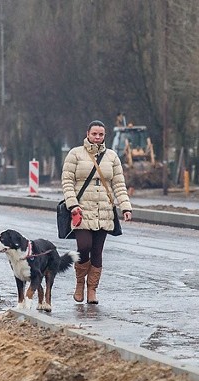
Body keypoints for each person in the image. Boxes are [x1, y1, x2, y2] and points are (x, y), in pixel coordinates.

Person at [61, 120, 133, 304]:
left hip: (105, 211)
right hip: (82, 211)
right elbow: (67, 181)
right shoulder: (75, 154)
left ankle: (92, 290)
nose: (97, 137)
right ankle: (79, 283)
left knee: (97, 251)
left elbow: (119, 184)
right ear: (87, 133)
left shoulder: (112, 157)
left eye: (101, 134)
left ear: (104, 136)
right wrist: (72, 204)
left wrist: (125, 206)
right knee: (84, 247)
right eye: (94, 134)